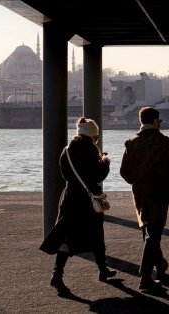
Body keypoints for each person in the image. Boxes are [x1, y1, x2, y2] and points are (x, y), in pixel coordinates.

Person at [40, 117, 115, 294]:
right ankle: (103, 270)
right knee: (96, 235)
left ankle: (57, 275)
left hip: (70, 198)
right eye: (96, 137)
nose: (96, 140)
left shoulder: (66, 151)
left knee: (66, 237)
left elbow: (65, 174)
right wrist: (105, 162)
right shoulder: (91, 150)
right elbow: (98, 176)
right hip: (87, 201)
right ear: (91, 136)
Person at [120, 107, 169, 291]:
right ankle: (145, 277)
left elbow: (124, 172)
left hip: (139, 192)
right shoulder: (165, 142)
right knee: (154, 232)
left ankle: (160, 262)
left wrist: (136, 180)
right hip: (159, 192)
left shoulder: (131, 142)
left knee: (148, 230)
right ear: (156, 121)